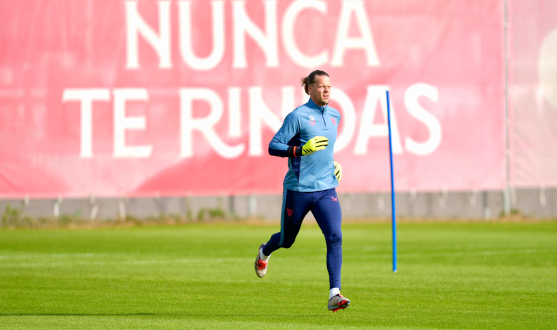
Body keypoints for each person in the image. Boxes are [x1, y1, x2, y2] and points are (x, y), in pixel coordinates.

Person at [254, 70, 350, 312]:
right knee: (286, 241)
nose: (327, 90)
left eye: (329, 86)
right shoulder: (297, 116)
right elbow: (273, 146)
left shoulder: (335, 115)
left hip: (326, 188)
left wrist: (333, 164)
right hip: (298, 190)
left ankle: (334, 295)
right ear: (309, 89)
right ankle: (265, 251)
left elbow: (325, 151)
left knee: (335, 237)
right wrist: (300, 150)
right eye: (321, 86)